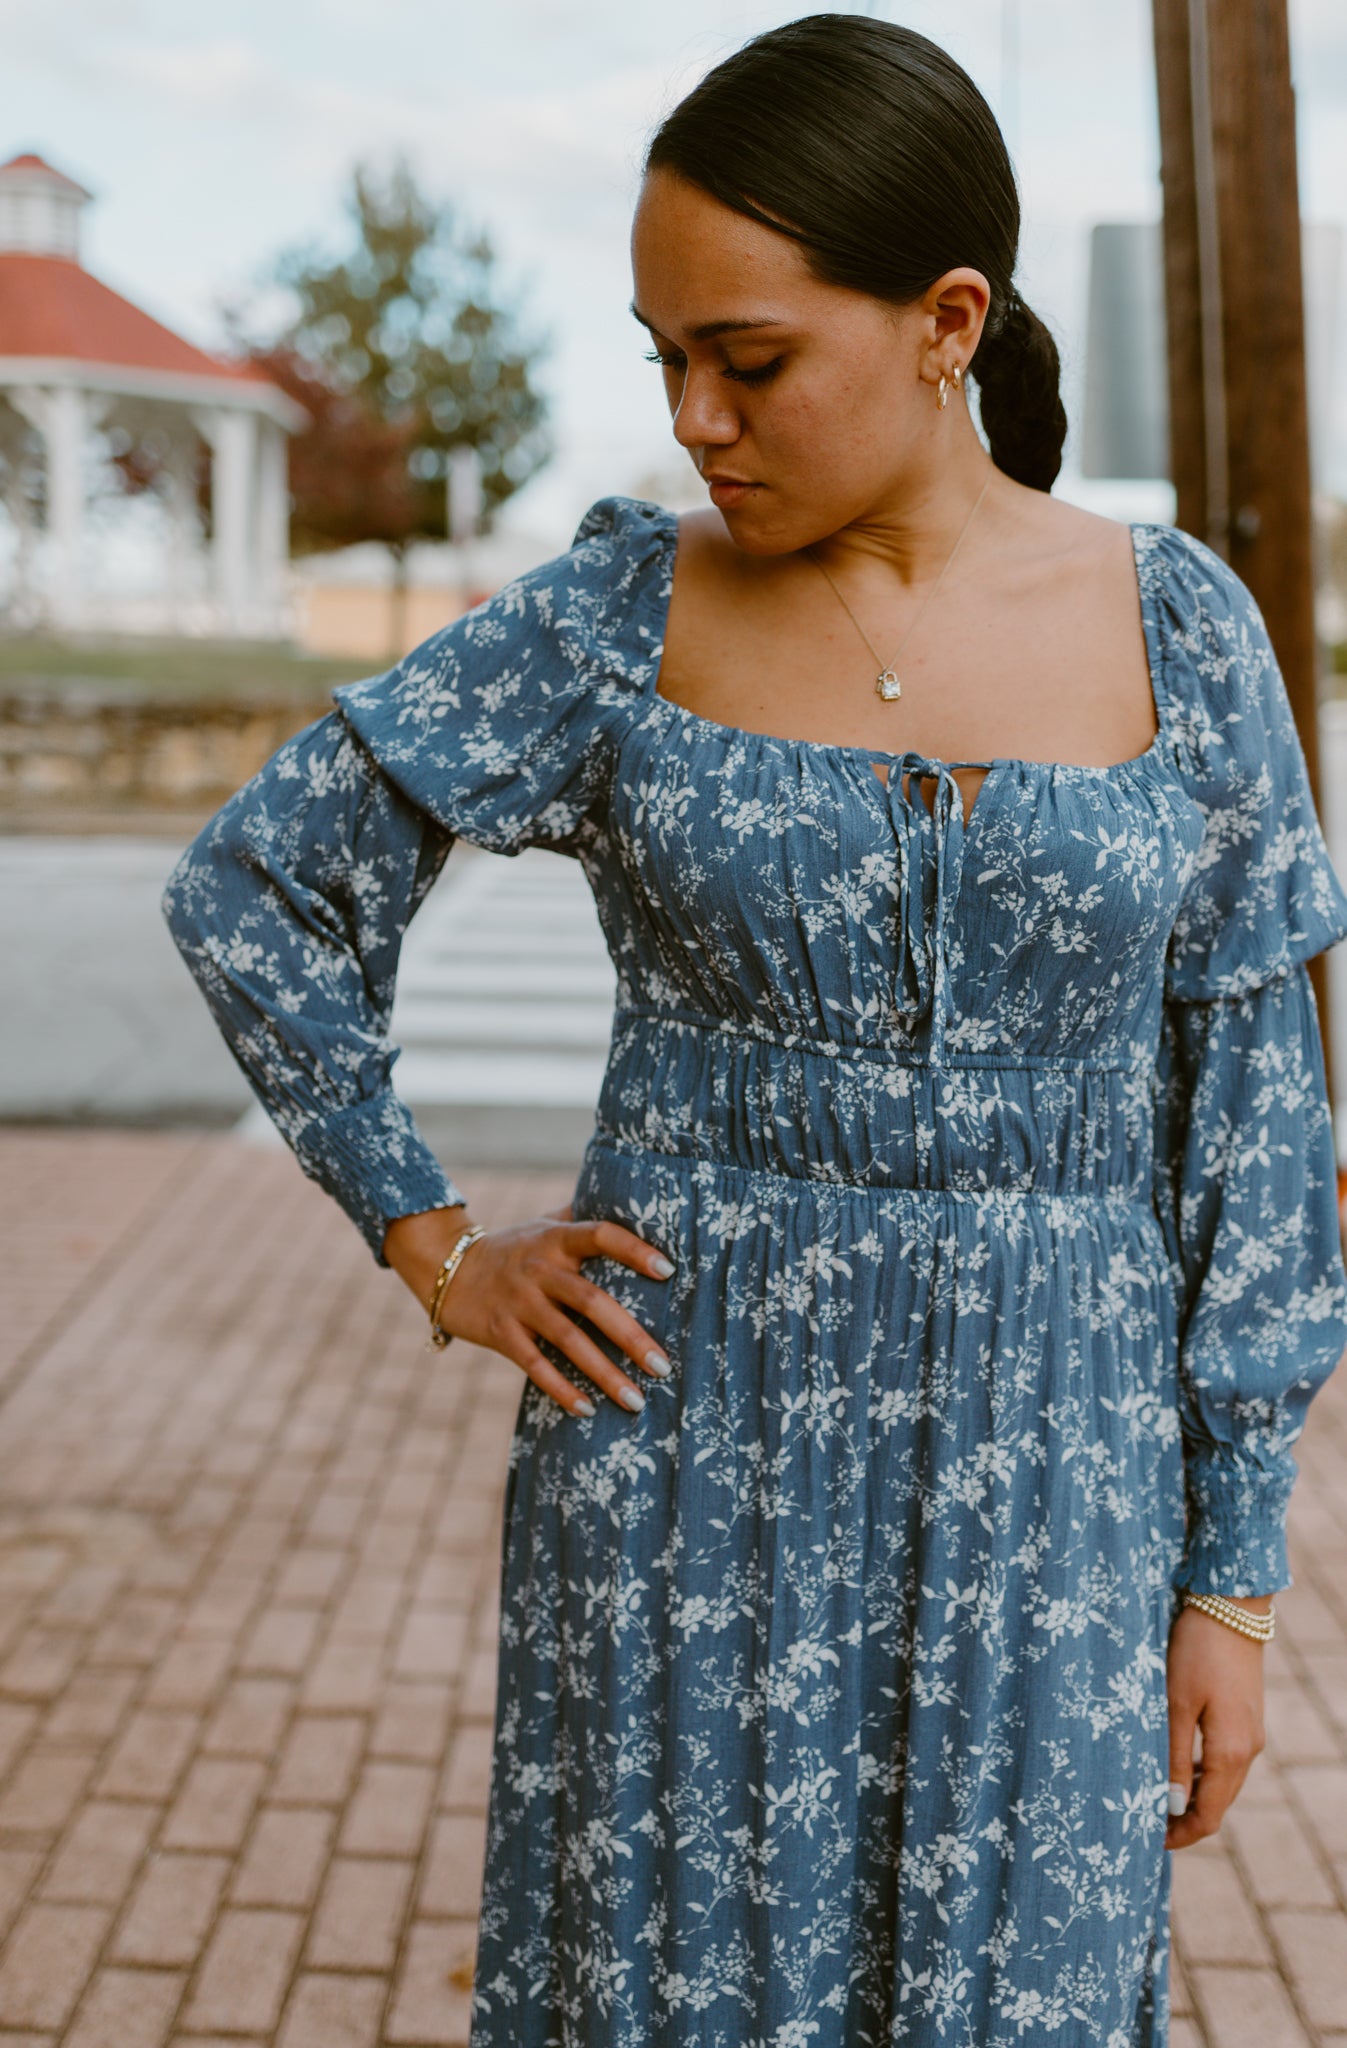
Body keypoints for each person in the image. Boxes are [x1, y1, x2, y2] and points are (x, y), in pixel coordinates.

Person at [163, 16, 1347, 2046]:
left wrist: (1228, 1577)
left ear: (943, 321)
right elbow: (257, 884)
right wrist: (435, 1244)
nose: (697, 417)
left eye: (750, 358)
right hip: (684, 1473)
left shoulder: (1178, 629)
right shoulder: (621, 615)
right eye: (664, 361)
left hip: (1058, 1492)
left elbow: (1257, 1123)